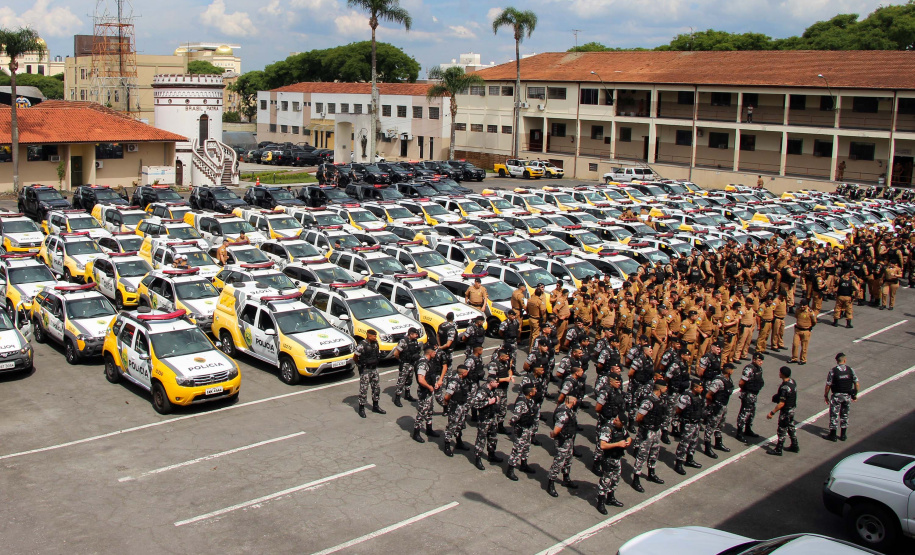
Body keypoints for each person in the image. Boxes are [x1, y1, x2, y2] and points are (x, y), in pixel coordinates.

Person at [595, 414, 631, 513]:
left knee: (615, 479)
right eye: (616, 419)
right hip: (608, 458)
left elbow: (628, 437)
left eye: (618, 420)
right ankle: (600, 502)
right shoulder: (608, 428)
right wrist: (618, 444)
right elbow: (603, 445)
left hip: (617, 458)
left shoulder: (621, 428)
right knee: (605, 481)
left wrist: (628, 442)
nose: (615, 421)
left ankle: (610, 498)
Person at [547, 395, 579, 497]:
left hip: (568, 439)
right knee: (559, 461)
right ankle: (550, 483)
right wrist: (554, 434)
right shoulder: (563, 413)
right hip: (562, 441)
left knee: (568, 459)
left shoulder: (567, 409)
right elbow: (557, 430)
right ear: (572, 402)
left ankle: (566, 478)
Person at [505, 382, 538, 481]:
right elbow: (515, 416)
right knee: (517, 448)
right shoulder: (521, 402)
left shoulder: (530, 400)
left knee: (526, 446)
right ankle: (510, 469)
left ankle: (524, 464)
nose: (536, 390)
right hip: (521, 428)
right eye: (534, 390)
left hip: (528, 427)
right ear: (530, 393)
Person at [825, 352, 859, 442]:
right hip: (847, 396)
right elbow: (856, 383)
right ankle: (843, 435)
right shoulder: (850, 370)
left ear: (837, 361)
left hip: (836, 396)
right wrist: (855, 394)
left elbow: (828, 385)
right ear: (845, 360)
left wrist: (826, 395)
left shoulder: (833, 371)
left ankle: (833, 435)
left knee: (834, 415)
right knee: (845, 415)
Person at [703, 363, 735, 459]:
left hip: (723, 405)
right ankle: (707, 447)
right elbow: (709, 394)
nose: (733, 371)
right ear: (728, 370)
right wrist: (713, 404)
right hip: (717, 406)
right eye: (732, 369)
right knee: (711, 426)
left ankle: (718, 443)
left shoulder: (728, 379)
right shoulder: (718, 381)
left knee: (720, 425)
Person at [673, 379, 705, 475]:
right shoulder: (686, 396)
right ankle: (678, 463)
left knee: (694, 442)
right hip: (688, 423)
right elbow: (678, 409)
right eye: (700, 387)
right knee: (684, 444)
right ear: (695, 388)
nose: (702, 389)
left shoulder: (697, 396)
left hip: (696, 423)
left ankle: (689, 459)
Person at [441, 364, 475, 456]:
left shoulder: (463, 379)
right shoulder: (453, 382)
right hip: (455, 407)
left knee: (460, 425)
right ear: (463, 373)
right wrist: (448, 405)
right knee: (452, 425)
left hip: (462, 405)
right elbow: (447, 396)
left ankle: (459, 442)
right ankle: (447, 445)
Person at [470, 377, 502, 470]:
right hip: (484, 419)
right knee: (481, 439)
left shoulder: (493, 390)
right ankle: (477, 458)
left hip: (492, 417)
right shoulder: (482, 392)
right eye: (496, 382)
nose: (498, 384)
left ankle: (491, 455)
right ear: (491, 382)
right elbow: (475, 404)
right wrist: (488, 402)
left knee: (493, 437)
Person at [766, 366, 798, 456]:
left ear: (783, 374)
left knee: (782, 430)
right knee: (791, 427)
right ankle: (795, 445)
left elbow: (781, 403)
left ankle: (778, 449)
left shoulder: (785, 387)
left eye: (780, 372)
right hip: (792, 409)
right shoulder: (792, 382)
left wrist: (772, 412)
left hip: (786, 411)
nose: (779, 374)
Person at [354, 330, 385, 418]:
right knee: (364, 389)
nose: (375, 337)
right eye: (374, 336)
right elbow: (355, 356)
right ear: (369, 336)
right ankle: (361, 408)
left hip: (374, 369)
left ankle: (375, 406)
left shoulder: (375, 343)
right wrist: (360, 365)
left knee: (376, 388)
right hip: (366, 370)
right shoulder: (362, 345)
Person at [411, 346, 439, 443]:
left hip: (429, 390)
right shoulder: (423, 364)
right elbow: (421, 379)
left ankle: (429, 429)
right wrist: (429, 387)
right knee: (422, 412)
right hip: (424, 391)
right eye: (434, 352)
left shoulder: (428, 361)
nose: (435, 354)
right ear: (430, 353)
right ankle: (416, 432)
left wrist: (434, 384)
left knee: (430, 410)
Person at [735, 353, 765, 442]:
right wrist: (744, 390)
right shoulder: (749, 369)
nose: (761, 362)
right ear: (754, 360)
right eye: (759, 360)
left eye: (762, 361)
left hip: (754, 394)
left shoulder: (759, 368)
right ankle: (739, 432)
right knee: (744, 413)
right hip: (748, 393)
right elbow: (741, 382)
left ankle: (748, 429)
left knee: (751, 413)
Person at [391, 327, 421, 407]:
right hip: (405, 364)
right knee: (401, 381)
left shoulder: (415, 341)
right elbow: (396, 353)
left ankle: (407, 395)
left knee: (409, 380)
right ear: (410, 334)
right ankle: (397, 398)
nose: (417, 335)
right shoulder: (403, 341)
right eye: (415, 334)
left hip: (412, 363)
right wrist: (401, 360)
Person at [789, 300, 816, 365]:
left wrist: (809, 326)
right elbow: (796, 316)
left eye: (803, 305)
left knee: (804, 346)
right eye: (801, 305)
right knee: (795, 344)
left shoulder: (810, 312)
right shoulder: (798, 310)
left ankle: (803, 359)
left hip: (806, 331)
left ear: (807, 305)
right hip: (798, 330)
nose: (802, 306)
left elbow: (814, 321)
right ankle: (794, 358)